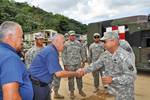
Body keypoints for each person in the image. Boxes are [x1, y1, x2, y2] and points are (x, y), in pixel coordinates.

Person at [77, 31, 137, 100]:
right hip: (114, 91)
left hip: (125, 93)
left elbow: (131, 76)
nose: (103, 43)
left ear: (113, 41)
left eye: (105, 41)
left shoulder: (124, 56)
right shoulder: (106, 54)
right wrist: (84, 70)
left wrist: (112, 79)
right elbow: (96, 64)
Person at [28, 34, 79, 100]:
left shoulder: (51, 50)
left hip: (42, 85)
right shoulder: (51, 51)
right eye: (63, 42)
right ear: (56, 41)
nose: (64, 45)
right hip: (38, 86)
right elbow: (59, 73)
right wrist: (76, 73)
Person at [0, 21, 33, 100]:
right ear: (10, 37)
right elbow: (11, 98)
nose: (22, 40)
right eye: (20, 37)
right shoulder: (10, 58)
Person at [62, 30, 86, 99]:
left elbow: (82, 52)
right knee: (71, 79)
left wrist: (83, 61)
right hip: (70, 65)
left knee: (79, 77)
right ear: (69, 36)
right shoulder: (65, 44)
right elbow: (63, 55)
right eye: (71, 35)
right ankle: (72, 92)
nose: (73, 36)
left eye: (74, 35)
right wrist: (65, 65)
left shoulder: (78, 43)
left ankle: (80, 90)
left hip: (78, 64)